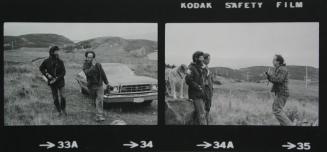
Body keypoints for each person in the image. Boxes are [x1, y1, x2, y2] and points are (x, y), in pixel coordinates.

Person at [265, 54, 293, 126]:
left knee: (276, 110)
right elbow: (276, 79)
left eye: (274, 60)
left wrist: (269, 77)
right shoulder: (279, 68)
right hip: (281, 93)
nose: (272, 61)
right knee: (278, 110)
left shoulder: (282, 69)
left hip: (282, 93)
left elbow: (279, 80)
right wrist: (269, 76)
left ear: (279, 61)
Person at [39, 46, 67, 116]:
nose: (57, 53)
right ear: (52, 52)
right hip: (52, 83)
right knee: (55, 98)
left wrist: (57, 78)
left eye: (58, 51)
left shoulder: (60, 61)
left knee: (63, 96)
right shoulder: (46, 61)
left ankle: (63, 109)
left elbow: (64, 72)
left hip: (60, 81)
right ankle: (59, 111)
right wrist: (47, 74)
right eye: (56, 51)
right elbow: (41, 68)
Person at [83, 51, 109, 121]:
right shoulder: (85, 65)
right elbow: (88, 73)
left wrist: (106, 82)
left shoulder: (98, 64)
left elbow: (103, 73)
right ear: (86, 57)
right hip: (91, 86)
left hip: (99, 85)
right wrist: (93, 66)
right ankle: (95, 113)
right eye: (88, 57)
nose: (90, 59)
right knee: (93, 100)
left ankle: (99, 115)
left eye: (91, 57)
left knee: (100, 100)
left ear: (93, 57)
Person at [185, 51, 207, 125]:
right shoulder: (191, 68)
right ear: (196, 58)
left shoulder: (200, 67)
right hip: (195, 95)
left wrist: (204, 69)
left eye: (203, 57)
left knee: (198, 116)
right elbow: (188, 80)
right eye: (201, 57)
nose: (203, 58)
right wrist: (198, 87)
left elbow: (203, 78)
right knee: (202, 116)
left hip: (201, 94)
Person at [203, 53, 214, 125]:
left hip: (209, 90)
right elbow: (203, 80)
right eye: (208, 59)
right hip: (206, 90)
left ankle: (207, 121)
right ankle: (206, 122)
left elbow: (210, 79)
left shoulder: (207, 67)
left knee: (208, 106)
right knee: (206, 107)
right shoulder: (203, 68)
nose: (209, 60)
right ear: (205, 59)